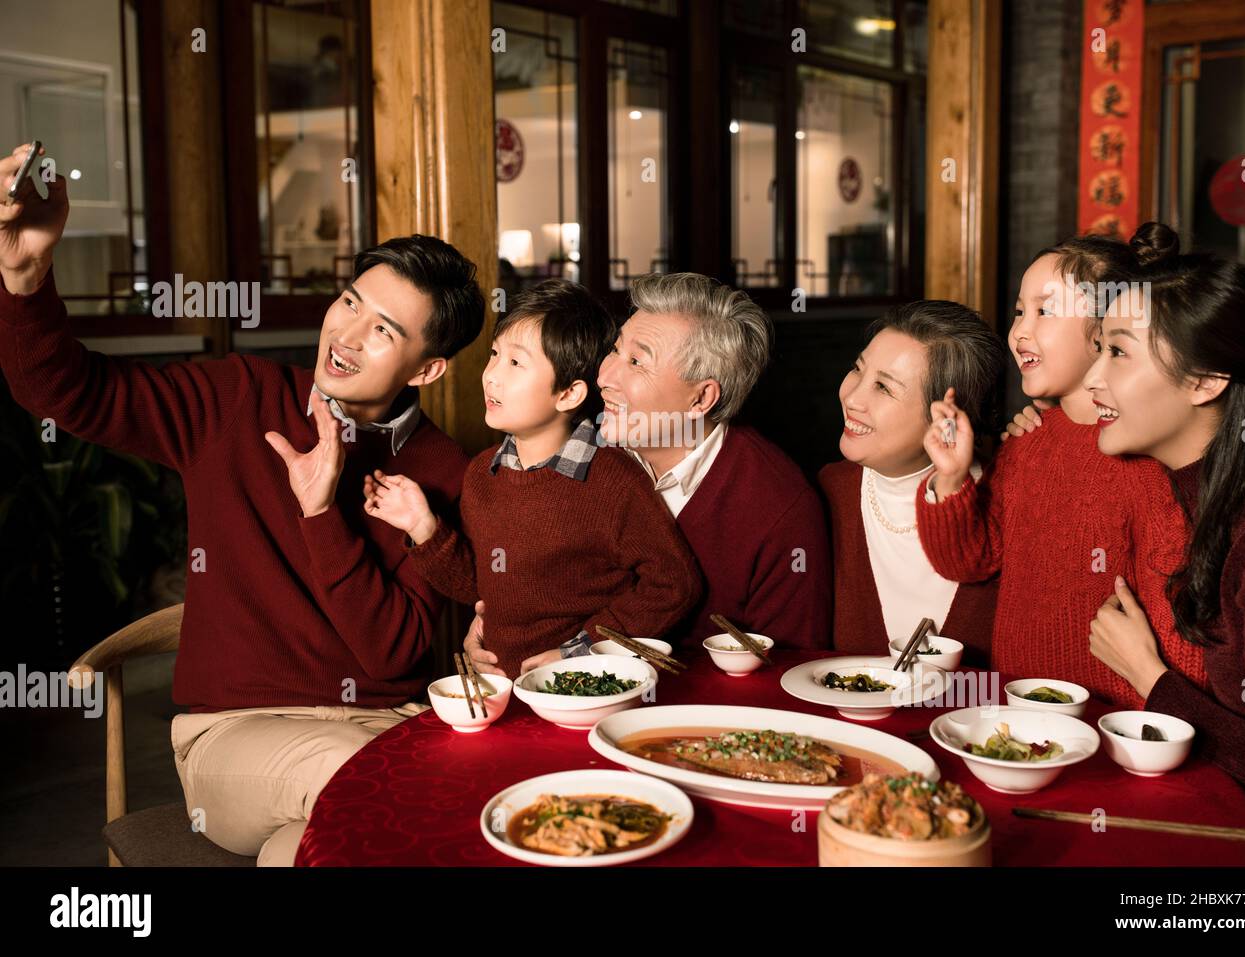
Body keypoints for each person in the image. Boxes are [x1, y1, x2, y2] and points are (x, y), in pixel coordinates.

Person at [0, 143, 484, 865]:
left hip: (384, 721)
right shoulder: (236, 398)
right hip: (232, 738)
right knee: (404, 788)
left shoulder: (442, 467)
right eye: (350, 302)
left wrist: (322, 519)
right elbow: (71, 392)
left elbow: (393, 652)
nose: (345, 337)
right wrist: (25, 273)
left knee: (304, 850)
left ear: (429, 366)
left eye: (383, 330)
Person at [914, 232, 1207, 708]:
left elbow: (1180, 627)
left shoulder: (1146, 461)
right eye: (1018, 311)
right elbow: (970, 561)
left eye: (1044, 311)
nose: (1020, 332)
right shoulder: (1027, 443)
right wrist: (950, 477)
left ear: (1103, 331)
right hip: (1015, 709)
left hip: (1109, 723)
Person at [365, 280, 701, 678]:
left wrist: (582, 651)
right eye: (494, 355)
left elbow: (672, 584)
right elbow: (481, 586)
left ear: (569, 394)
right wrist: (423, 527)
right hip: (503, 690)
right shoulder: (483, 474)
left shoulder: (612, 481)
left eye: (515, 363)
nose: (491, 376)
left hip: (582, 690)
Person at [1083, 224, 1245, 824]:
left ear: (1206, 380)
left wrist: (1151, 678)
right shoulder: (1195, 487)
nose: (1094, 377)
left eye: (1119, 352)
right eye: (1098, 348)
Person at [593, 272, 832, 648]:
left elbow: (789, 672)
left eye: (637, 361)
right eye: (615, 349)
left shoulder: (780, 507)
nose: (605, 376)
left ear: (701, 399)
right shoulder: (583, 457)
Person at [818, 300, 1001, 662]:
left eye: (883, 388)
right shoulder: (828, 493)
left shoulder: (1009, 501)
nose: (851, 397)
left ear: (945, 417)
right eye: (858, 369)